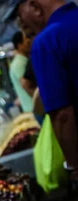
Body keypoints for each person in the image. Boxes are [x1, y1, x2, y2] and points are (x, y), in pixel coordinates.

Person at [16, 0, 78, 184]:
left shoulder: (48, 41)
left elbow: (62, 115)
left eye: (20, 17)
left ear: (35, 7)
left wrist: (74, 166)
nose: (22, 25)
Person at [9, 31, 34, 113]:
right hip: (33, 107)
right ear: (19, 45)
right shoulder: (19, 63)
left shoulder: (23, 60)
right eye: (26, 41)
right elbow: (26, 84)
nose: (29, 43)